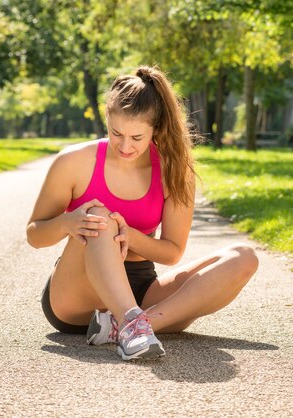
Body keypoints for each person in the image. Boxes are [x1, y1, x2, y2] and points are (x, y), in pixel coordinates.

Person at [26, 66, 258, 361]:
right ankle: (132, 325)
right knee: (100, 215)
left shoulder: (174, 170)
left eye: (137, 137)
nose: (125, 145)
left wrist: (130, 236)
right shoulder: (73, 161)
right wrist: (67, 223)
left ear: (156, 129)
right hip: (78, 294)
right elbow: (35, 234)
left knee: (243, 257)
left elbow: (171, 252)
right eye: (116, 133)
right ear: (106, 119)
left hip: (142, 286)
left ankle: (130, 326)